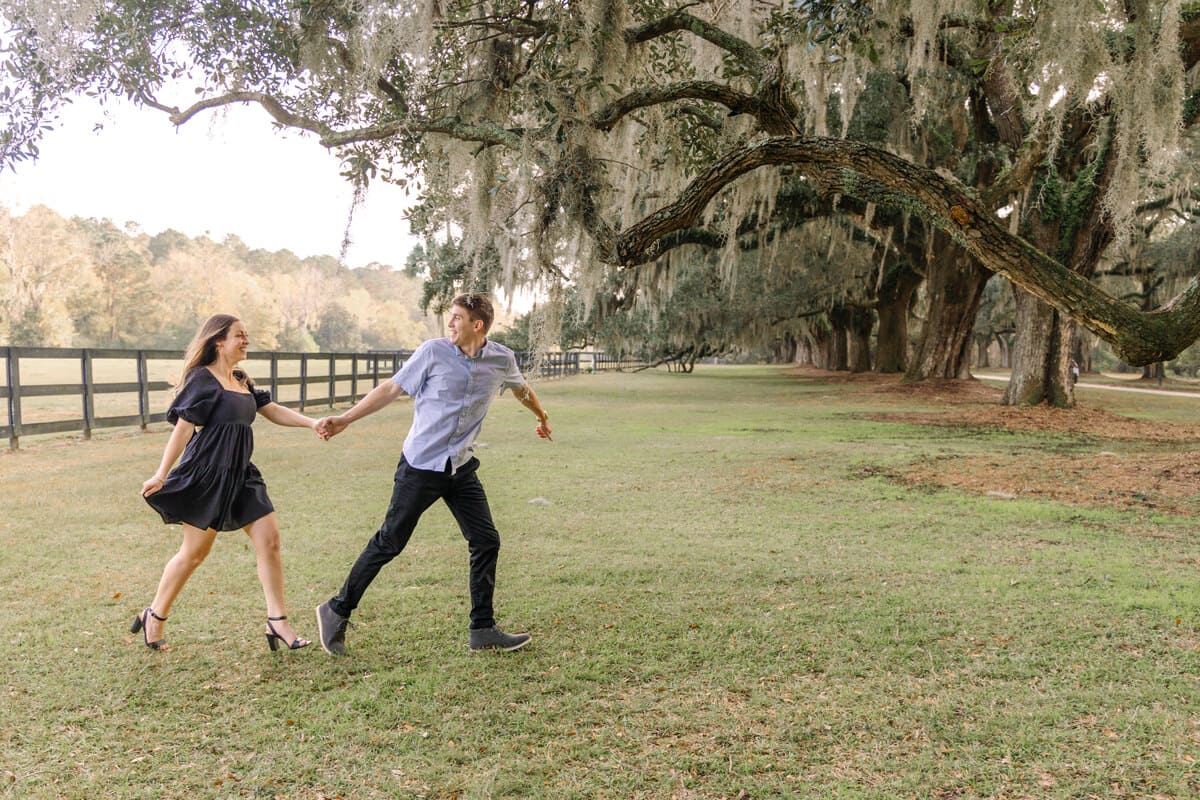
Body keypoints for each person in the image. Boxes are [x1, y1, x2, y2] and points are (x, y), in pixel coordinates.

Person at [313, 292, 551, 655]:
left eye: (456, 317)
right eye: (450, 316)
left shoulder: (502, 359)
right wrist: (346, 418)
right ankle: (335, 610)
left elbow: (521, 389)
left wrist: (541, 416)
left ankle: (482, 629)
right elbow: (391, 388)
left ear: (478, 325)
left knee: (486, 539)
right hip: (421, 466)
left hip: (460, 467)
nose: (450, 323)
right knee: (390, 542)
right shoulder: (433, 352)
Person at [134, 313, 325, 652]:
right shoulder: (201, 379)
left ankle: (277, 621)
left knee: (271, 541)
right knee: (193, 554)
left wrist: (312, 423)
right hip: (207, 474)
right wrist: (162, 473)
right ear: (219, 341)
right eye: (240, 335)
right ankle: (155, 615)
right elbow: (183, 429)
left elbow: (271, 410)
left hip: (242, 474)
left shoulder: (240, 379)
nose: (246, 340)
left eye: (246, 334)